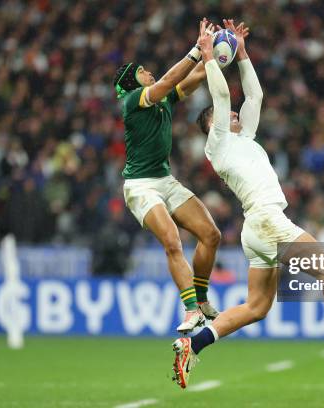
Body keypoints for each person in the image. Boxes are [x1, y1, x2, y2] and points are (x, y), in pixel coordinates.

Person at [171, 19, 324, 389]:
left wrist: (243, 56)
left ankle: (192, 344)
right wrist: (207, 56)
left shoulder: (243, 137)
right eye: (224, 115)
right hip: (266, 221)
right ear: (210, 126)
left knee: (256, 308)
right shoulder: (216, 144)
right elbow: (220, 97)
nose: (233, 114)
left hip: (257, 228)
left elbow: (255, 97)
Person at [114, 19, 221, 333]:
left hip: (164, 181)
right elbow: (170, 80)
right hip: (141, 187)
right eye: (141, 71)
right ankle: (190, 311)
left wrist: (218, 56)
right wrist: (195, 50)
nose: (148, 71)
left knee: (211, 235)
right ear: (133, 83)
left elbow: (195, 77)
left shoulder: (163, 100)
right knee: (173, 242)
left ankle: (200, 298)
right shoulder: (132, 101)